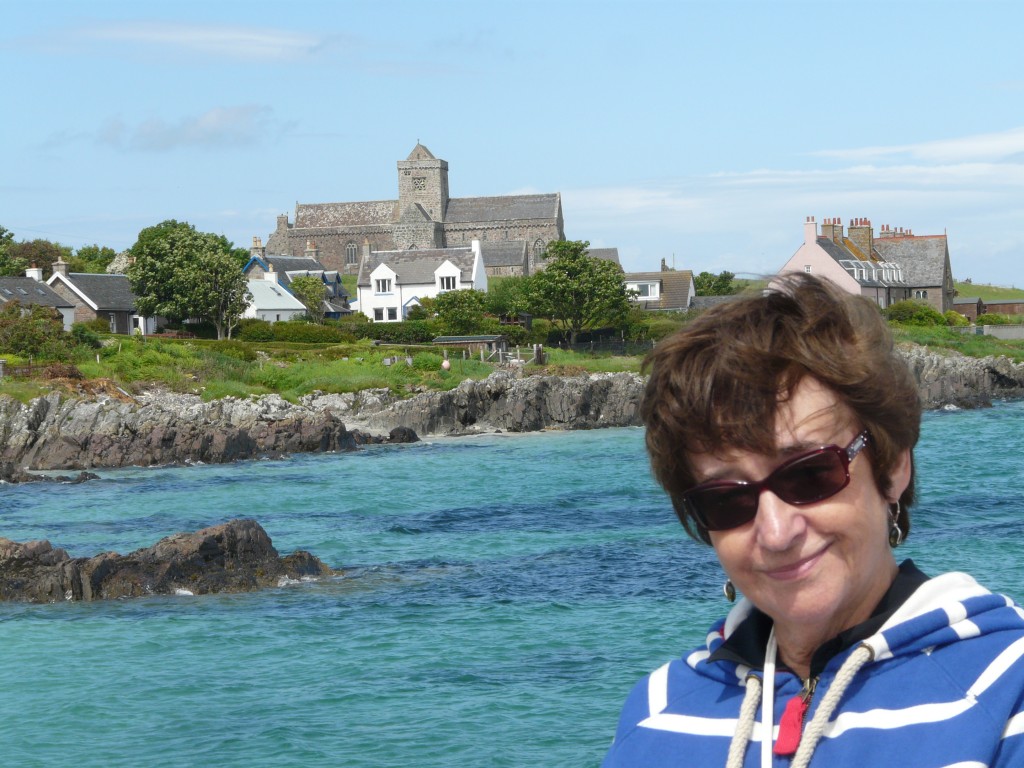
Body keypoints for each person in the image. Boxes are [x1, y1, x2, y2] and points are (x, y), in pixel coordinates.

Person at [602, 273, 1024, 768]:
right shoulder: (656, 715)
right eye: (726, 500)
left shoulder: (1006, 690)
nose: (777, 532)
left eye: (809, 475)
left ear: (892, 468)